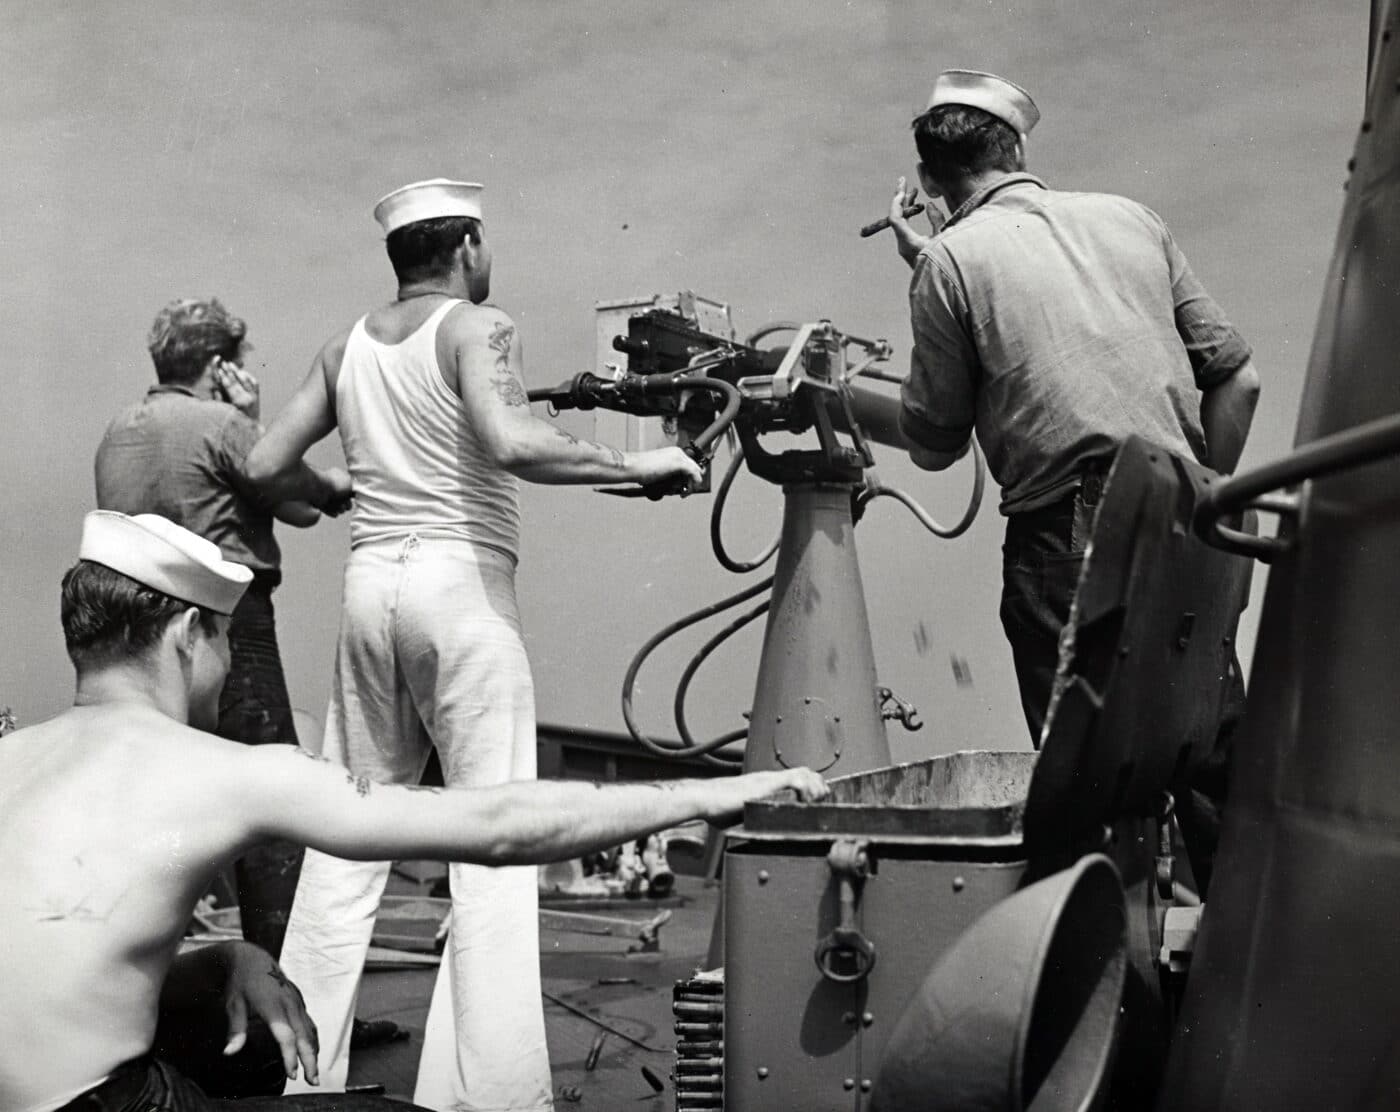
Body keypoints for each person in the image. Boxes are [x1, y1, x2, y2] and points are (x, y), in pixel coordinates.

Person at [0, 510, 826, 1112]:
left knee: (252, 1055)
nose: (226, 662)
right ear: (186, 634)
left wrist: (226, 960)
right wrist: (711, 794)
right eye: (223, 637)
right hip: (110, 1105)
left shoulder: (10, 760)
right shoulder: (222, 773)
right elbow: (499, 827)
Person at [242, 178, 704, 1110]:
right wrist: (640, 461)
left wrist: (335, 487)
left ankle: (298, 1077)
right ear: (467, 248)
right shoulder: (475, 329)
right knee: (495, 844)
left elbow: (260, 465)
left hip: (371, 591)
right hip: (460, 588)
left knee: (346, 841)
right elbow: (507, 441)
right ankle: (492, 1095)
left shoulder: (345, 349)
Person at [885, 71, 1260, 890]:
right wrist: (1199, 495)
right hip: (1194, 517)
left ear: (929, 184)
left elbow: (935, 442)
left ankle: (1106, 1001)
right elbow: (1240, 380)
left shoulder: (950, 258)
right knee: (1215, 767)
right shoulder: (1131, 219)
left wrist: (927, 269)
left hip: (1070, 531)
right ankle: (1246, 989)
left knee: (1088, 798)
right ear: (1017, 149)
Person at [94, 298, 355, 960]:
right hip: (227, 623)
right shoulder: (220, 424)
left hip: (139, 634)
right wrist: (254, 423)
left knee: (168, 804)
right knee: (272, 799)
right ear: (218, 365)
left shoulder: (119, 429)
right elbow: (299, 500)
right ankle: (284, 1009)